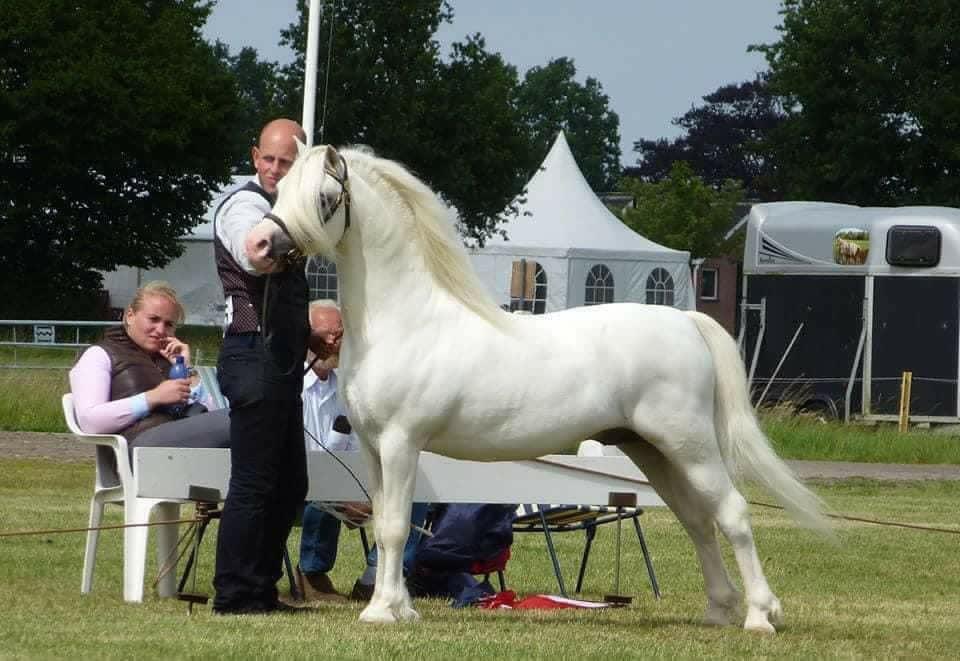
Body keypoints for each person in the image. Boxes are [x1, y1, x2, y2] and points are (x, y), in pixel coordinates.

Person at [211, 118, 316, 615]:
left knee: (291, 482)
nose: (275, 169)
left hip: (277, 358)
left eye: (286, 163)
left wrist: (310, 335)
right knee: (254, 482)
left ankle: (260, 587)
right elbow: (254, 255)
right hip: (250, 353)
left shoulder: (284, 208)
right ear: (255, 157)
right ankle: (235, 593)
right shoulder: (244, 206)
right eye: (269, 159)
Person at [296, 300, 429, 602]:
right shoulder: (291, 388)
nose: (333, 342)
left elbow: (361, 449)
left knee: (413, 491)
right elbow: (307, 460)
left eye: (340, 334)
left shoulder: (351, 388)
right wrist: (345, 494)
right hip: (305, 483)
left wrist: (370, 493)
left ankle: (376, 577)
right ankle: (311, 573)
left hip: (350, 482)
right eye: (324, 334)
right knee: (323, 488)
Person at [68, 281, 229, 456]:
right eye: (153, 319)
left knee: (244, 422)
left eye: (168, 324)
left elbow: (213, 414)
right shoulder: (99, 354)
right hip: (140, 445)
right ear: (130, 315)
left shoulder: (169, 360)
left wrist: (186, 368)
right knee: (245, 421)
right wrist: (153, 398)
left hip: (179, 439)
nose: (160, 330)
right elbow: (89, 421)